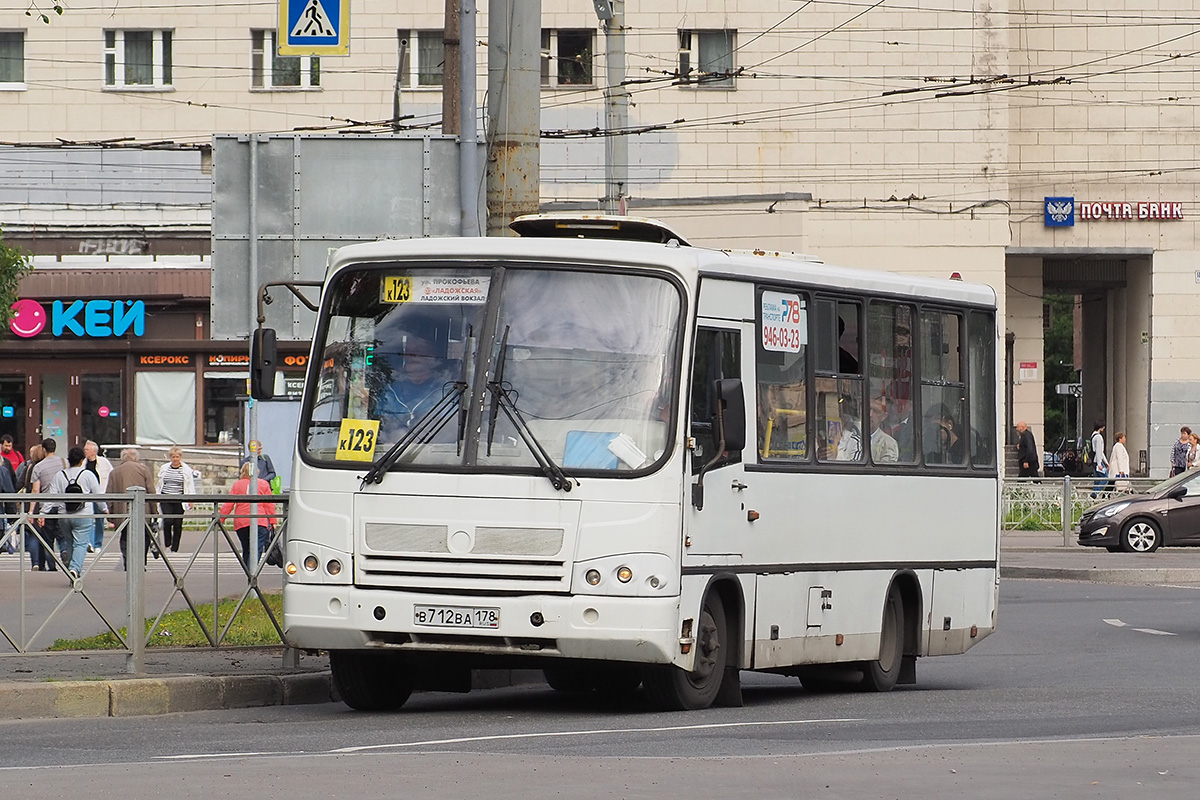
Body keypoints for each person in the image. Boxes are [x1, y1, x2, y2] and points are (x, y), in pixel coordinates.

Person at [38, 446, 108, 579]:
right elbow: (98, 494)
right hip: (83, 515)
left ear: (69, 460)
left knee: (69, 543)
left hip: (63, 515)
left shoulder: (60, 475)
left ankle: (71, 570)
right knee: (81, 543)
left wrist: (43, 514)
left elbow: (51, 497)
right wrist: (104, 509)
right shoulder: (88, 474)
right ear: (82, 460)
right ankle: (74, 569)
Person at [375, 333, 455, 439]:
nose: (412, 355)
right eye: (408, 351)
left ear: (432, 357)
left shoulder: (446, 391)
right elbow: (378, 425)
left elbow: (449, 431)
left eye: (419, 351)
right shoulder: (391, 390)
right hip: (389, 452)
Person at [106, 449, 160, 570]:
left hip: (122, 513)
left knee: (125, 537)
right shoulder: (143, 470)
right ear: (136, 458)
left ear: (122, 458)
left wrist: (111, 516)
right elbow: (151, 492)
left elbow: (109, 495)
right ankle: (140, 563)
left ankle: (128, 562)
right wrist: (154, 512)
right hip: (142, 512)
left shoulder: (115, 472)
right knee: (144, 537)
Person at [219, 462, 278, 570]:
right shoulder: (263, 484)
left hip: (241, 522)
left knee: (246, 549)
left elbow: (229, 503)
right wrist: (273, 521)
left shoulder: (237, 485)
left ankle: (248, 573)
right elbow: (269, 504)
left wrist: (221, 518)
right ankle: (252, 574)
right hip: (259, 521)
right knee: (257, 548)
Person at [30, 438, 67, 570]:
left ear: (44, 450)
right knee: (62, 536)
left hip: (46, 506)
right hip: (63, 505)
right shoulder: (64, 462)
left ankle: (52, 567)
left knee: (48, 539)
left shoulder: (38, 467)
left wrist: (31, 511)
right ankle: (64, 552)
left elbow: (35, 490)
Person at [156, 446, 196, 553]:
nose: (175, 459)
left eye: (177, 457)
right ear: (170, 458)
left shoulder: (186, 469)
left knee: (178, 524)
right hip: (166, 497)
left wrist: (190, 499)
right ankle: (168, 544)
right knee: (168, 520)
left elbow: (190, 485)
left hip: (179, 499)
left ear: (180, 457)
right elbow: (160, 483)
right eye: (173, 457)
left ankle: (175, 547)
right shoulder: (165, 468)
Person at [16, 444, 49, 571]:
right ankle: (48, 563)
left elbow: (19, 483)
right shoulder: (44, 468)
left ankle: (35, 562)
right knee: (45, 536)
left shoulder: (29, 467)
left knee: (33, 535)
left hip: (29, 504)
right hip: (43, 504)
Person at [83, 440, 113, 552]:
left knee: (99, 519)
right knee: (88, 519)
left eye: (87, 449)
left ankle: (97, 544)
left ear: (93, 451)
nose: (85, 451)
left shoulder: (104, 462)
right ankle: (89, 542)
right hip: (87, 495)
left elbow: (111, 475)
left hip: (100, 494)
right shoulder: (83, 463)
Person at [869, 395, 899, 464]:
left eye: (876, 411)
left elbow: (885, 471)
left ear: (884, 416)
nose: (870, 414)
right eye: (868, 409)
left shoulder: (889, 443)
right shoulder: (849, 437)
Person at [1090, 421, 1110, 496]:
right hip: (1098, 461)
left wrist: (1105, 462)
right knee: (1105, 478)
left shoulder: (1093, 436)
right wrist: (1100, 463)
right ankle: (1095, 493)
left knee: (1097, 479)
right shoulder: (1098, 437)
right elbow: (1099, 451)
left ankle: (1094, 495)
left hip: (1094, 461)